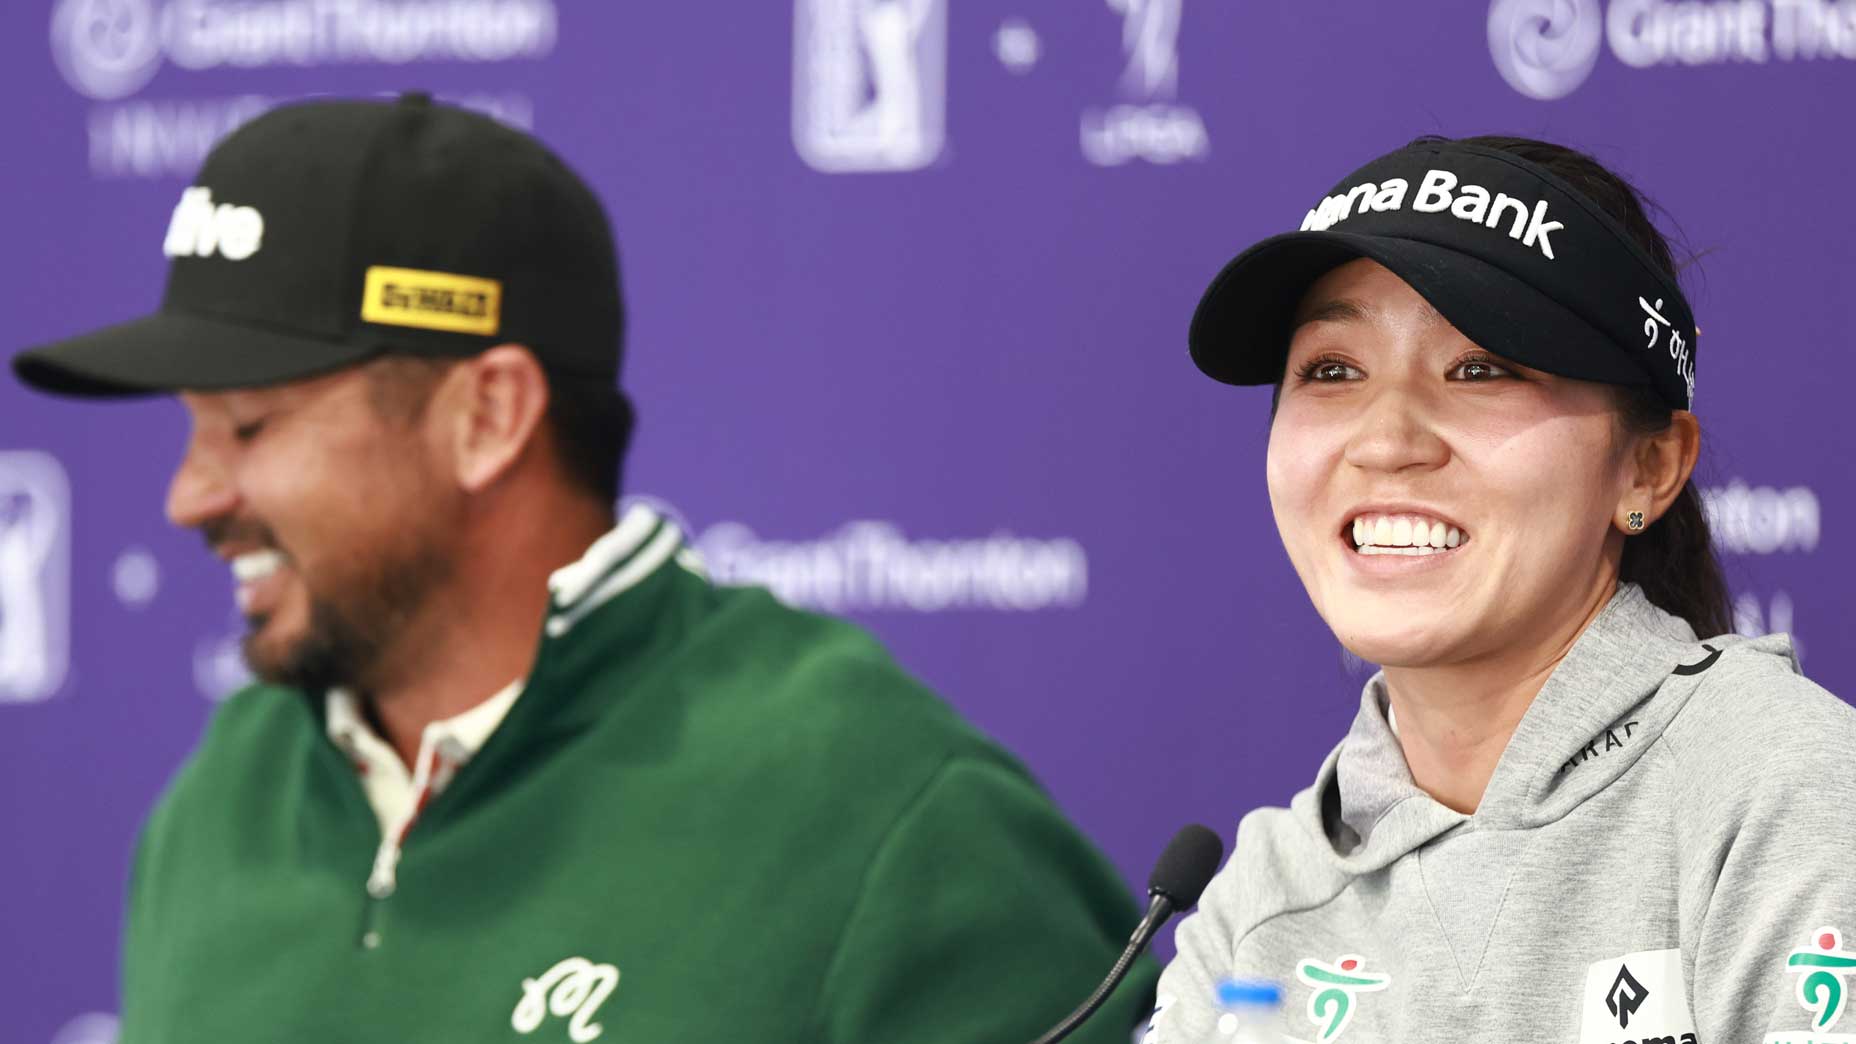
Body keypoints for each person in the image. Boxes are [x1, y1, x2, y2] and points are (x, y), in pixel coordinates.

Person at [12, 94, 1156, 1043]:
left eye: (249, 427)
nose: (188, 496)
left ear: (488, 414)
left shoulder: (879, 810)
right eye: (192, 431)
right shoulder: (223, 798)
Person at [1144, 135, 1856, 1042]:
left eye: (1480, 368)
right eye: (1332, 370)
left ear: (1648, 467)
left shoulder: (1787, 792)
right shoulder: (1256, 902)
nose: (1386, 438)